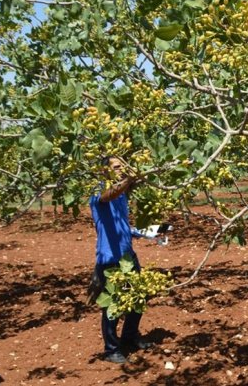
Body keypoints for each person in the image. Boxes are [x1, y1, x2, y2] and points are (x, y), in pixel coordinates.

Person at [88, 156, 152, 364]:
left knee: (138, 297)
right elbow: (108, 195)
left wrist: (145, 232)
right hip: (111, 260)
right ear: (104, 171)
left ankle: (129, 337)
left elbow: (121, 223)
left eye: (123, 167)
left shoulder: (122, 195)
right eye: (116, 167)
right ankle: (111, 350)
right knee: (114, 304)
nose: (121, 170)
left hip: (127, 256)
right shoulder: (98, 190)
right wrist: (130, 179)